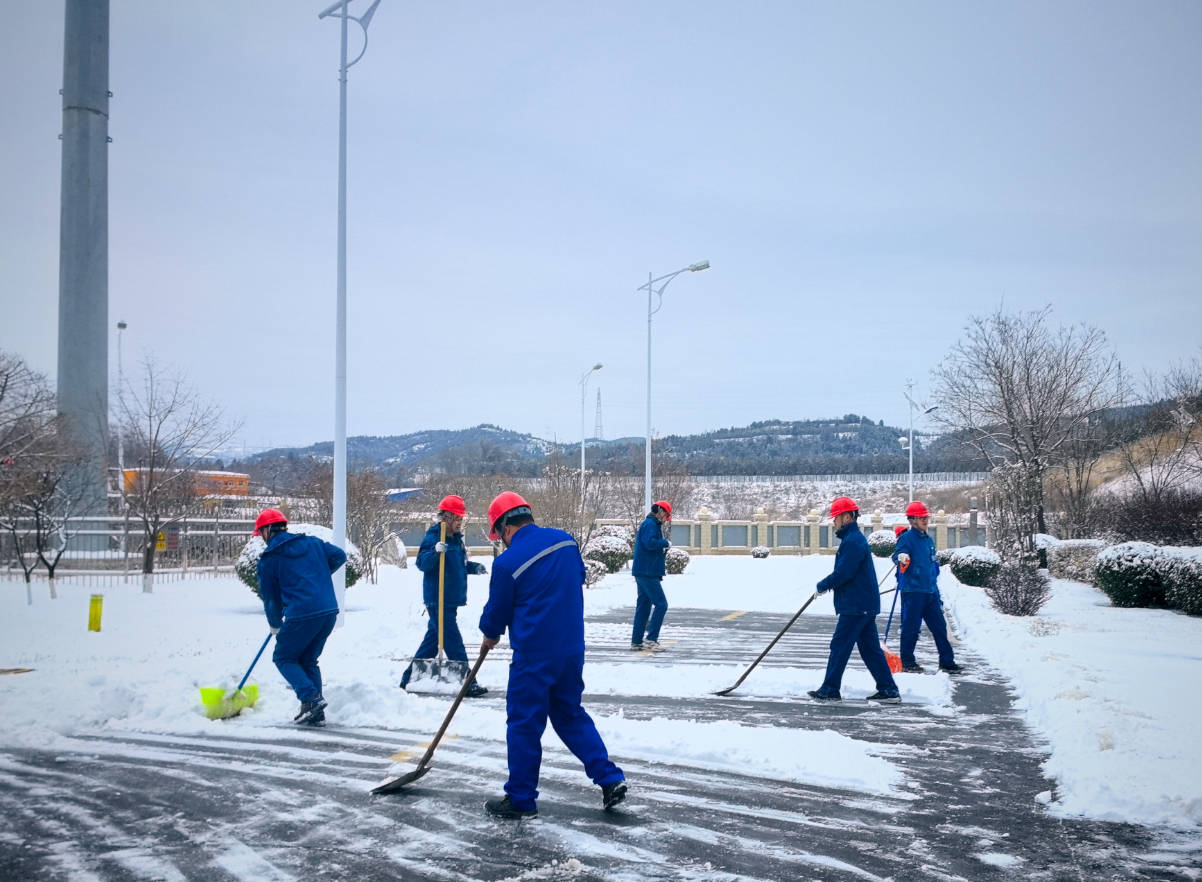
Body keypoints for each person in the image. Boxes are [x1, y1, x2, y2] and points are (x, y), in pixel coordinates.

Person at [478, 491, 627, 819]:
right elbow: (578, 578)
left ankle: (520, 798)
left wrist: (489, 634)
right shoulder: (566, 542)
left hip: (533, 656)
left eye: (498, 534)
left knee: (524, 724)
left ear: (504, 526)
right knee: (570, 715)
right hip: (572, 650)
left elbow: (496, 615)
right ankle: (610, 779)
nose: (500, 541)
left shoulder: (506, 564)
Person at [254, 508, 346, 727]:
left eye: (261, 534)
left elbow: (271, 599)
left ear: (267, 530)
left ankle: (311, 699)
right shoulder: (312, 543)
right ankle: (316, 713)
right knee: (307, 660)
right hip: (328, 610)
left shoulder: (269, 560)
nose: (261, 540)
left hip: (302, 614)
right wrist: (317, 576)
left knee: (283, 658)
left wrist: (275, 624)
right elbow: (339, 556)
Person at [808, 497, 901, 704]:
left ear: (847, 517)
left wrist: (822, 585)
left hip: (856, 605)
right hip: (863, 604)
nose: (834, 522)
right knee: (870, 650)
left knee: (840, 646)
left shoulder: (852, 541)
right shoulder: (854, 539)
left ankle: (830, 689)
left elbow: (844, 573)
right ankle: (889, 690)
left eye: (836, 518)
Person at [400, 495, 490, 697]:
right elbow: (423, 564)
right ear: (446, 518)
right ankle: (469, 682)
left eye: (461, 519)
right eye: (457, 519)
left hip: (450, 599)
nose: (460, 523)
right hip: (437, 599)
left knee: (432, 642)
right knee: (453, 640)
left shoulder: (456, 540)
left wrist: (473, 567)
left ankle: (406, 680)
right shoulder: (434, 537)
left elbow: (458, 565)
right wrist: (434, 551)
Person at [892, 501, 963, 674]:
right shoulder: (907, 539)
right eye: (921, 517)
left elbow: (932, 567)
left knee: (939, 627)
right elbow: (897, 556)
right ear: (912, 520)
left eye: (926, 517)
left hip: (930, 592)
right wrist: (900, 556)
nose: (925, 520)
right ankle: (907, 661)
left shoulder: (928, 540)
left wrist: (935, 592)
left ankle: (947, 661)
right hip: (913, 591)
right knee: (911, 628)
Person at [631, 500, 672, 651]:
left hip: (642, 571)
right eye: (665, 515)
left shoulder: (650, 524)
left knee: (643, 607)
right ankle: (651, 639)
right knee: (661, 604)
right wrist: (665, 543)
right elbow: (649, 543)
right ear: (660, 511)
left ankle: (636, 641)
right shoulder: (650, 524)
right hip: (648, 571)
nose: (665, 519)